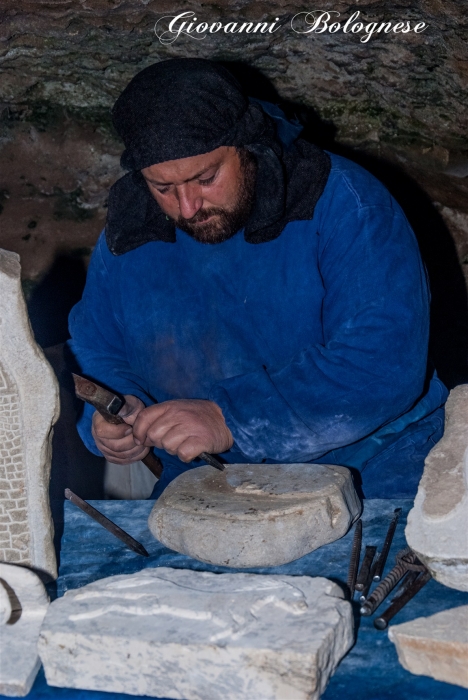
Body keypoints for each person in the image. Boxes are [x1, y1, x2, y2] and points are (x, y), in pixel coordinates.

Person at [68, 58, 447, 500]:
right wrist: (117, 412)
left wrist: (231, 418)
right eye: (163, 188)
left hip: (373, 466)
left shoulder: (347, 206)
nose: (187, 208)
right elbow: (95, 347)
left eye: (206, 178)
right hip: (207, 478)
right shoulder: (130, 228)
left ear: (248, 146)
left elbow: (381, 365)